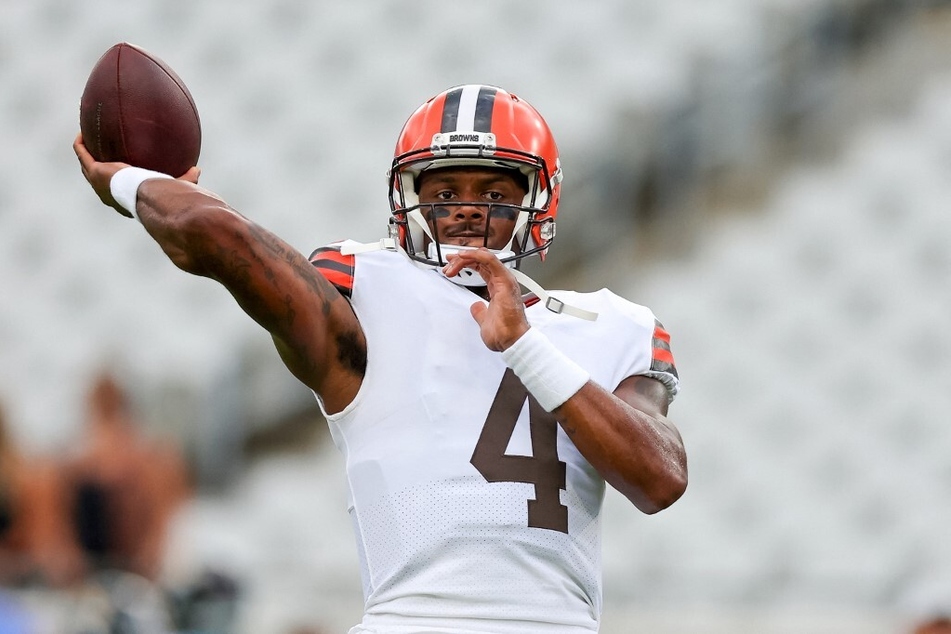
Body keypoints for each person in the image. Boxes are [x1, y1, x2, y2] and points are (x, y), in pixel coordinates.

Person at [74, 84, 688, 633]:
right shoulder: (363, 287)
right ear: (410, 197)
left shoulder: (611, 323)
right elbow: (219, 238)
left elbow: (660, 479)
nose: (468, 208)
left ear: (537, 201)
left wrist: (527, 348)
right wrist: (130, 181)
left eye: (494, 191)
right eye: (445, 189)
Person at [61, 370, 190, 581]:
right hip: (96, 556)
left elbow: (163, 510)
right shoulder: (80, 454)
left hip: (130, 556)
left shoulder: (150, 455)